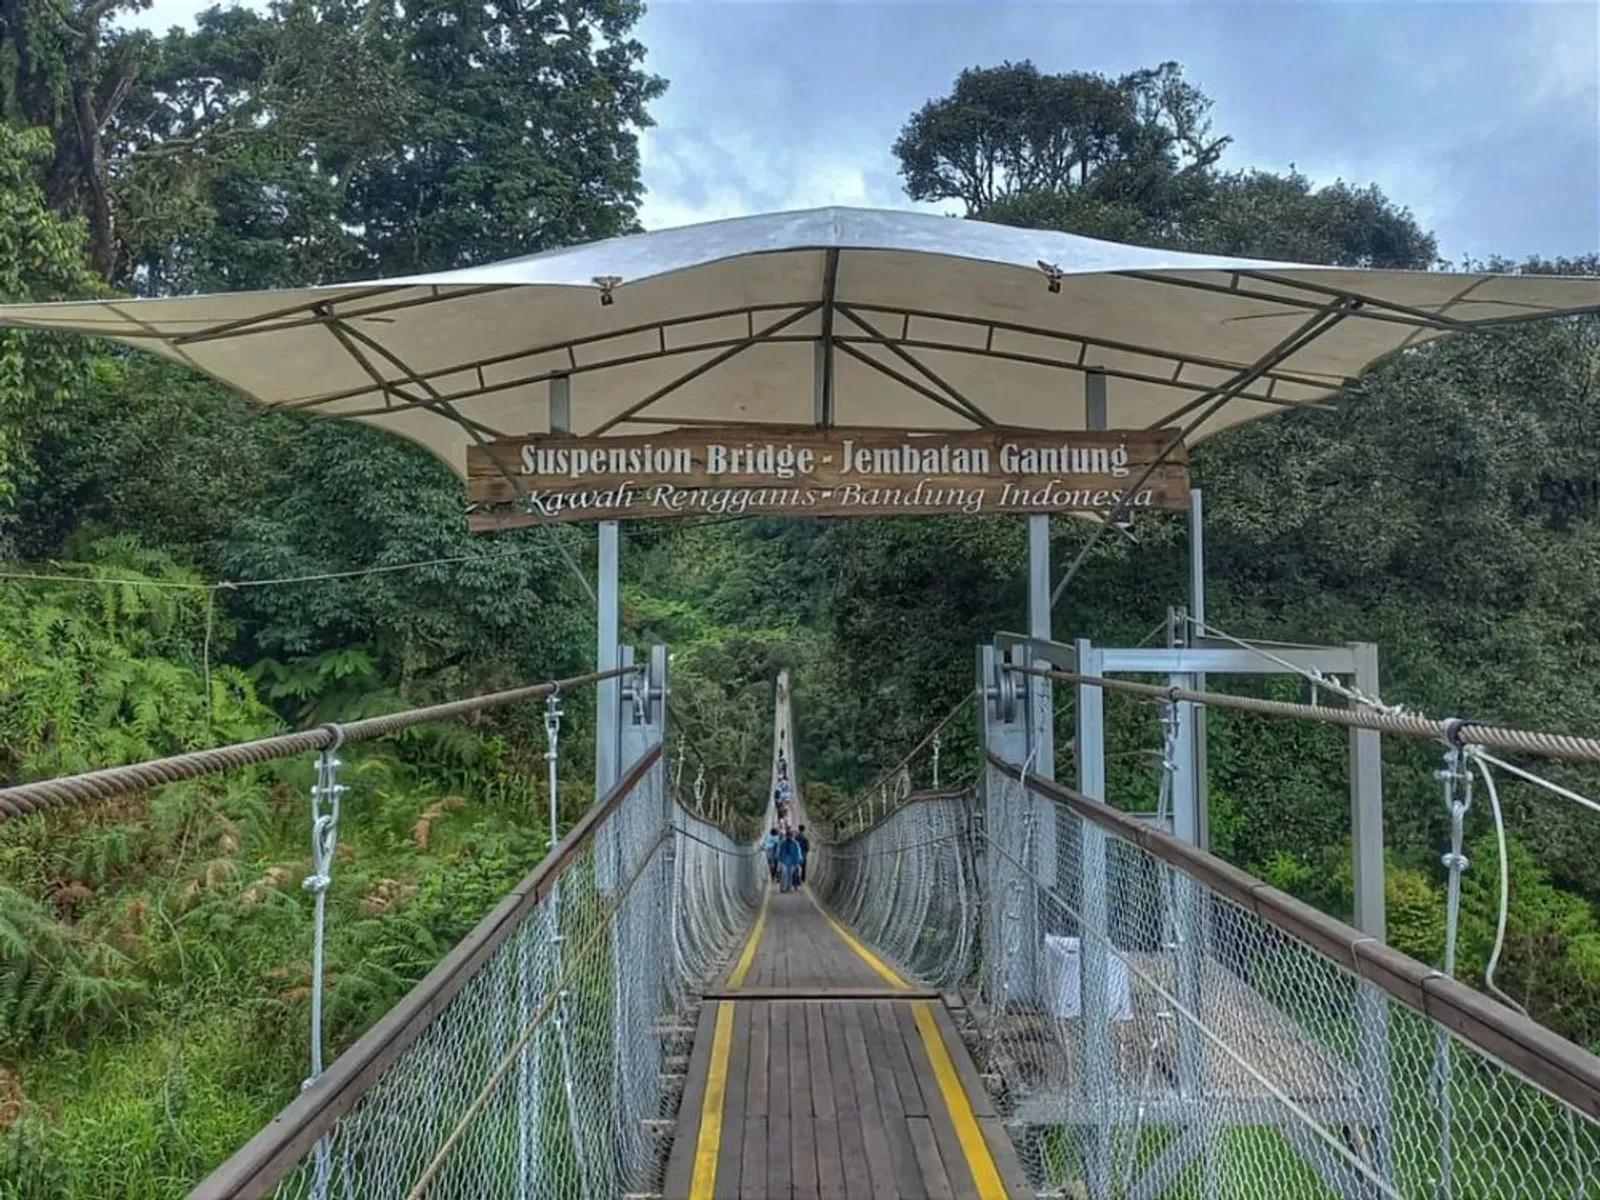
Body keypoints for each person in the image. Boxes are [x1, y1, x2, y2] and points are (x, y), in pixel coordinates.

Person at [777, 827, 803, 893]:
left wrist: (798, 861)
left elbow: (798, 852)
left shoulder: (795, 843)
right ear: (786, 836)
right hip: (783, 861)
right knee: (784, 874)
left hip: (792, 861)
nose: (789, 837)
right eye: (788, 836)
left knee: (790, 875)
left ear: (792, 836)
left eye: (790, 836)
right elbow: (779, 851)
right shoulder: (782, 843)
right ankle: (783, 888)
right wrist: (778, 860)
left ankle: (789, 887)